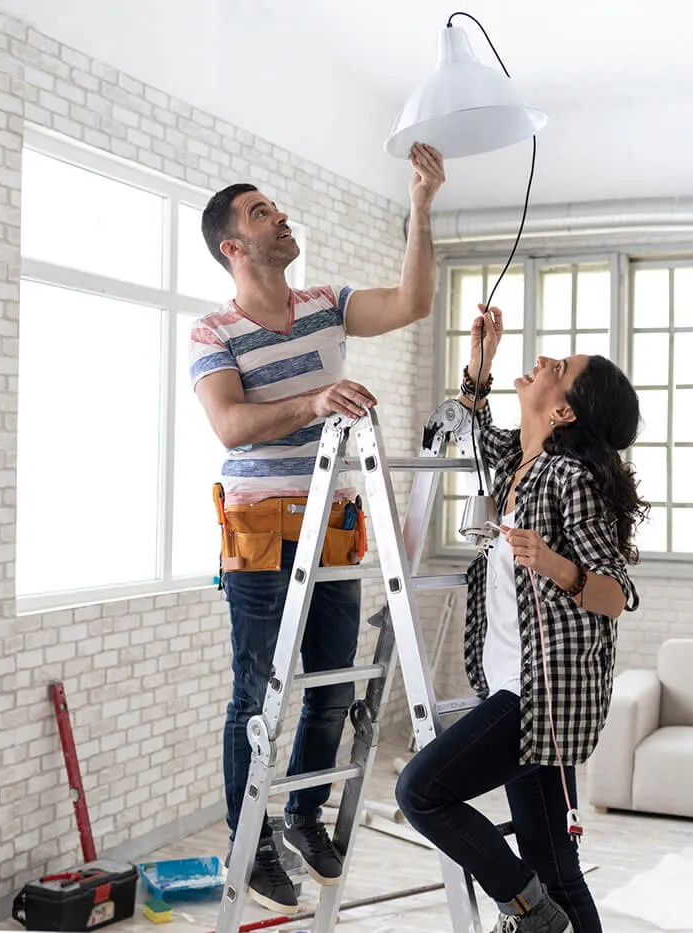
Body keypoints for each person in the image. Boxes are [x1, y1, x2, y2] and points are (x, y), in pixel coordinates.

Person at [188, 144, 447, 912]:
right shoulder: (213, 332)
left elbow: (412, 302)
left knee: (333, 684)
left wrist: (423, 206)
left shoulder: (326, 304)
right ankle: (252, 834)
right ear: (234, 246)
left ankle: (302, 812)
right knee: (255, 694)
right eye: (263, 212)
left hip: (334, 524)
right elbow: (231, 426)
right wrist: (314, 401)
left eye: (278, 208)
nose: (281, 217)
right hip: (260, 528)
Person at [395, 304, 647, 933]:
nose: (540, 363)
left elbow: (616, 593)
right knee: (556, 867)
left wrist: (556, 566)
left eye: (556, 368)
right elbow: (475, 427)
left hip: (541, 694)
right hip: (516, 685)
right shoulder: (519, 466)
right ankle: (541, 905)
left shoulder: (569, 479)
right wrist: (483, 355)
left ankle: (526, 909)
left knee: (421, 792)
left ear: (563, 411)